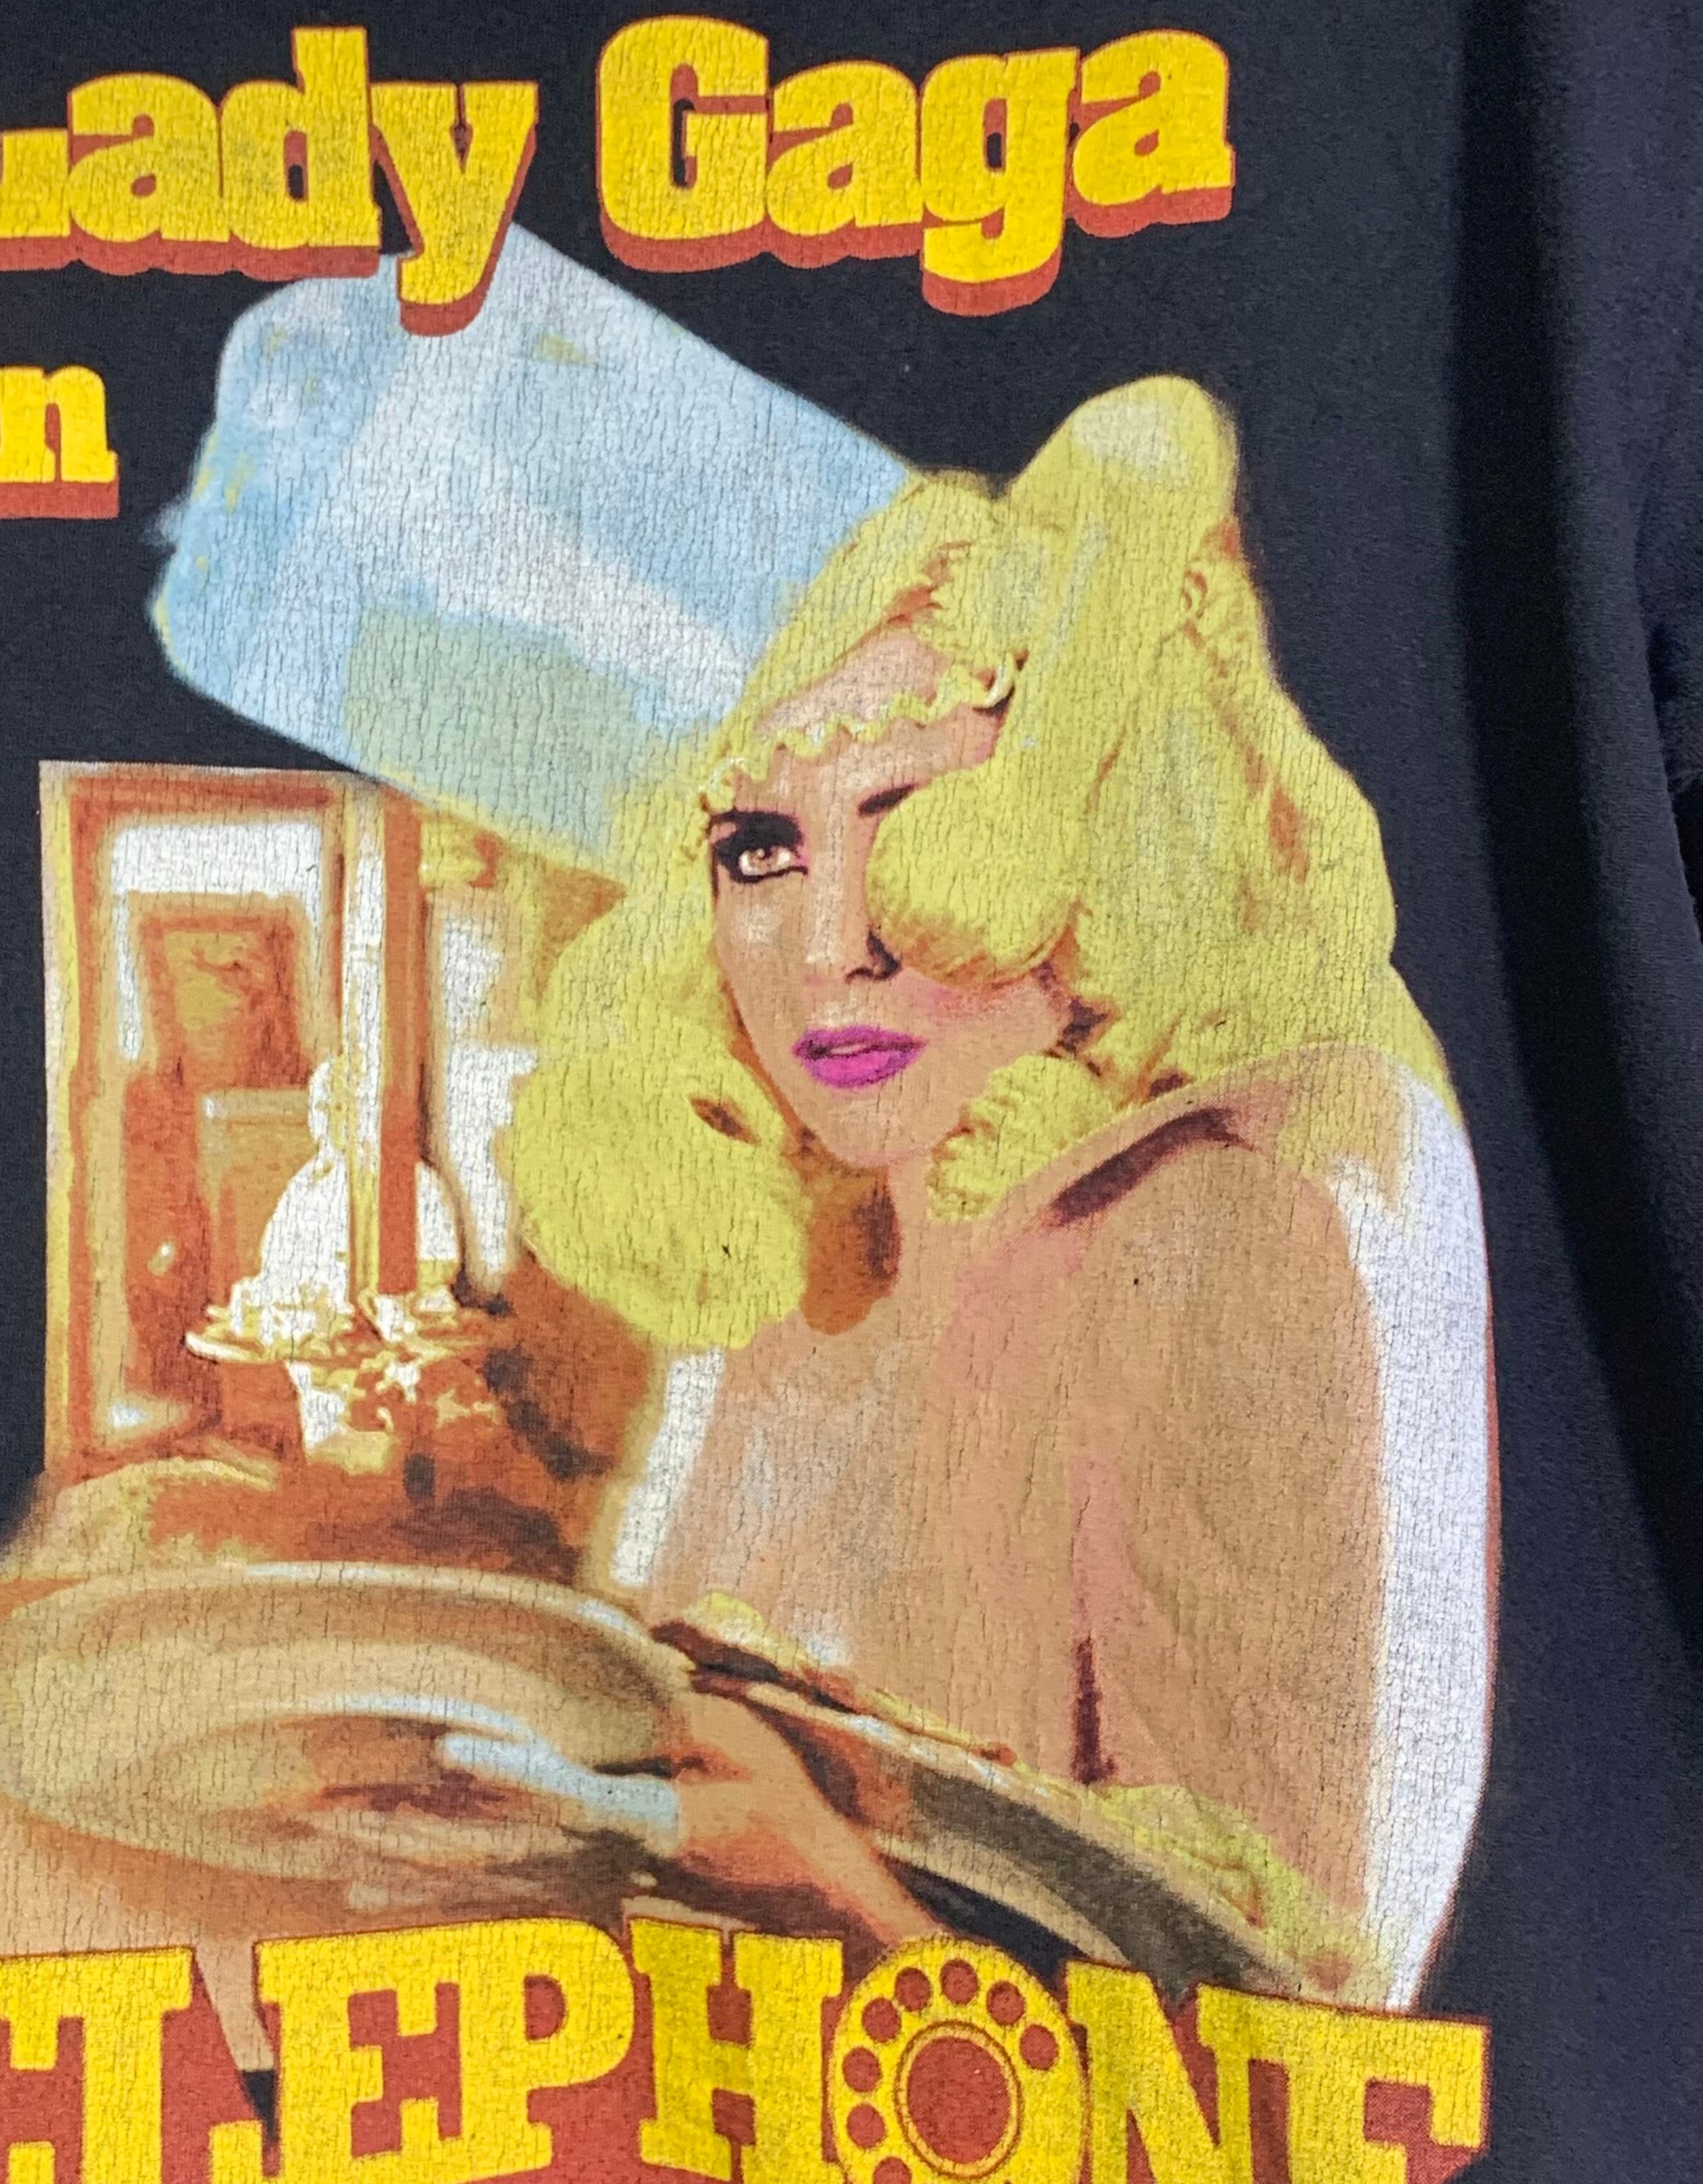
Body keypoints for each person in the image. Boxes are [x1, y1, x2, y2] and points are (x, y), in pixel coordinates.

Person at [486, 378, 1496, 2003]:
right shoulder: (811, 1239)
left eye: (918, 824)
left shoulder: (1229, 1219)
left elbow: (1292, 2041)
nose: (834, 948)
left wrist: (831, 1883)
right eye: (762, 850)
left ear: (1102, 836)